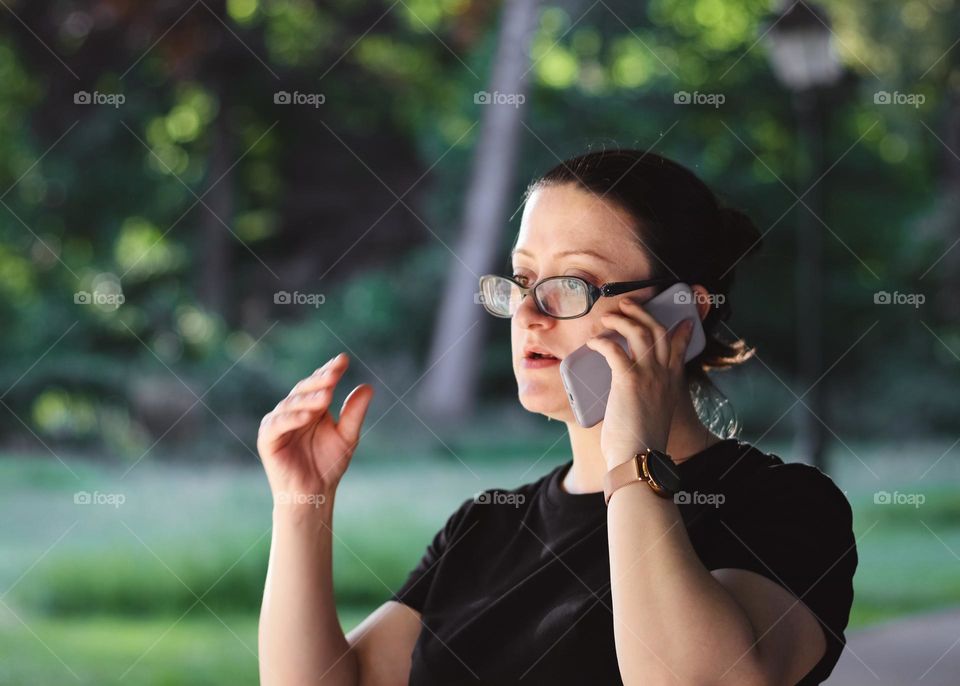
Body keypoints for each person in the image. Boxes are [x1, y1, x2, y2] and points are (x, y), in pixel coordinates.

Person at [257, 149, 858, 685]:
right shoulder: (483, 529)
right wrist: (299, 502)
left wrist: (632, 454)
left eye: (573, 283)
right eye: (523, 280)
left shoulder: (785, 507)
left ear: (682, 315)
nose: (529, 313)